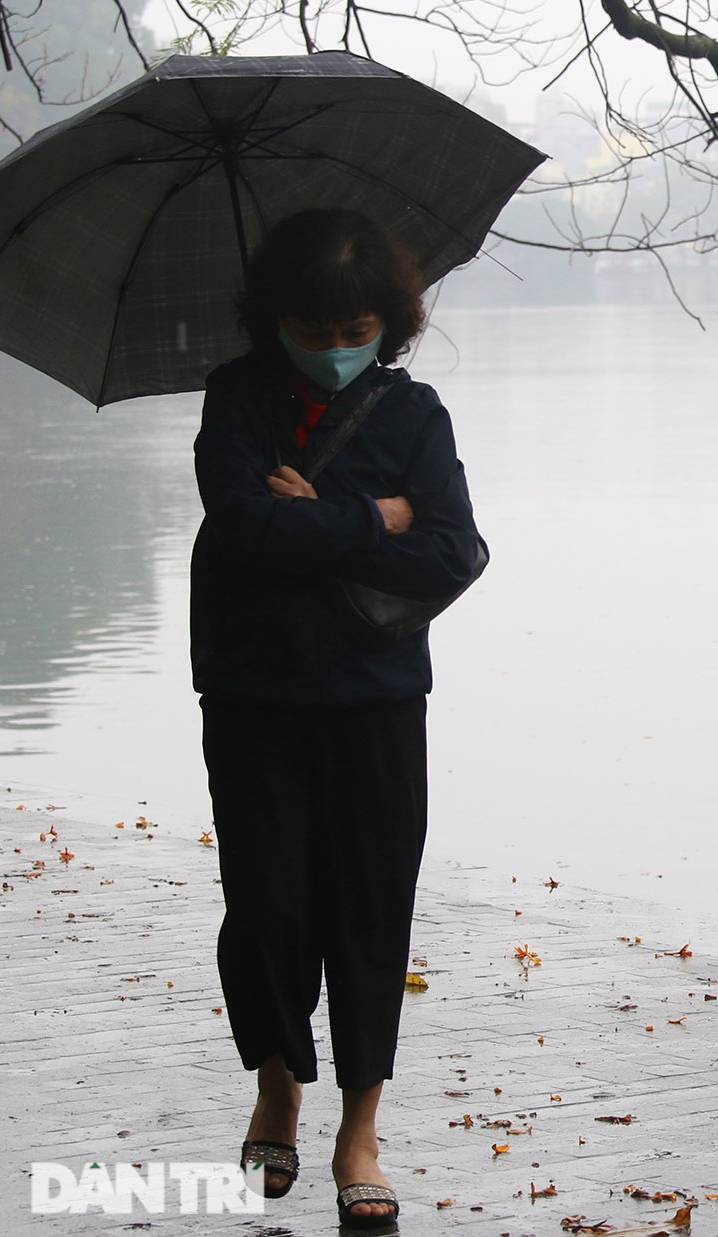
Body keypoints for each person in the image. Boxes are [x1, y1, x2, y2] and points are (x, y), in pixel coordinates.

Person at [190, 208, 484, 1227]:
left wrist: (313, 518)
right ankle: (278, 1079)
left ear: (387, 323)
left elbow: (454, 555)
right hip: (253, 692)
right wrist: (373, 517)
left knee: (369, 909)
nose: (331, 348)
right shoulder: (236, 401)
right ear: (275, 322)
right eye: (310, 331)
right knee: (265, 904)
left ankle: (359, 1128)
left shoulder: (415, 416)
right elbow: (244, 528)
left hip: (376, 699)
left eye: (352, 327)